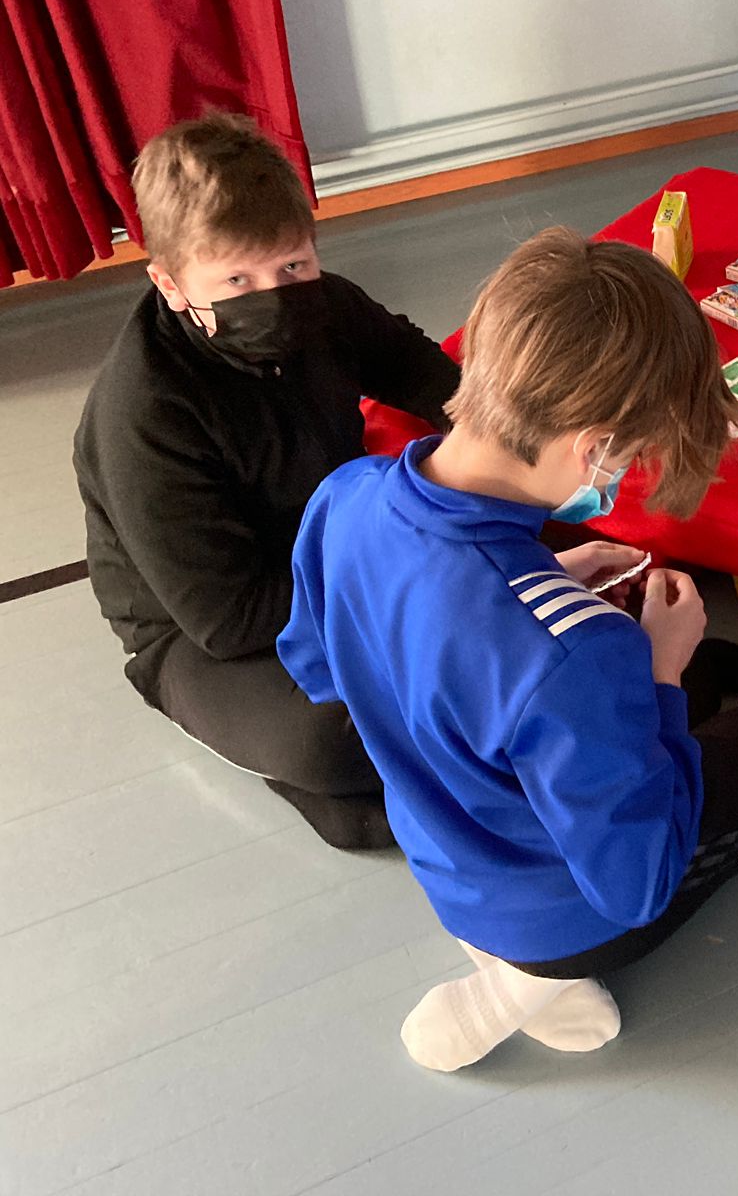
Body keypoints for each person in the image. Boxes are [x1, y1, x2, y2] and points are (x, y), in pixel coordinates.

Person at [278, 228, 738, 1071]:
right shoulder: (581, 653)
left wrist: (538, 581)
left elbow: (321, 664)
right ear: (593, 448)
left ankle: (510, 959)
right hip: (563, 915)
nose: (626, 474)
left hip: (440, 849)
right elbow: (637, 884)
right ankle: (523, 985)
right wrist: (658, 671)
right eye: (632, 456)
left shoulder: (346, 496)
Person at [72, 113, 460, 850]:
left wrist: (501, 444)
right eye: (237, 281)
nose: (276, 295)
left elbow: (423, 373)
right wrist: (402, 565)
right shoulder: (145, 414)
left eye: (292, 266)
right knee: (339, 738)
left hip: (335, 541)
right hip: (202, 630)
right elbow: (229, 620)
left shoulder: (327, 303)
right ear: (171, 285)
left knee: (478, 629)